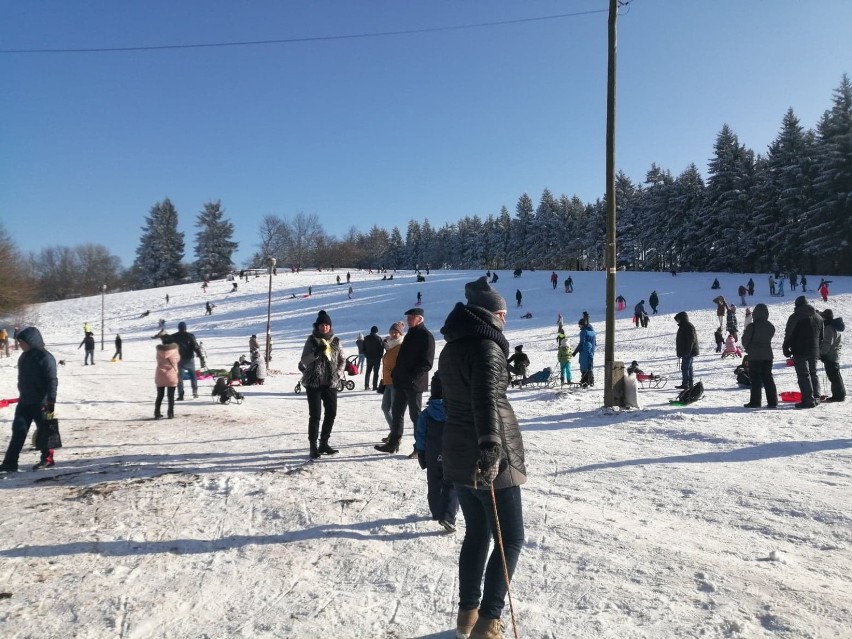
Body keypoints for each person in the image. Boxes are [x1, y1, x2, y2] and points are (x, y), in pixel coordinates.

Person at [437, 276, 525, 639]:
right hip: (489, 456)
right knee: (511, 538)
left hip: (458, 451)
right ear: (489, 314)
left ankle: (467, 616)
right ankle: (489, 621)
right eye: (502, 313)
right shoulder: (487, 348)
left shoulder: (452, 347)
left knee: (478, 534)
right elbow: (486, 400)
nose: (504, 319)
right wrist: (491, 445)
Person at [375, 308, 435, 454]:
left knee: (416, 417)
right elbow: (401, 358)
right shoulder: (409, 335)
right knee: (396, 413)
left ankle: (419, 448)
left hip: (414, 385)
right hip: (401, 382)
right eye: (407, 317)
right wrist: (396, 374)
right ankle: (393, 444)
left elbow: (427, 363)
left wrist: (412, 378)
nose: (407, 320)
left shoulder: (426, 337)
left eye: (410, 317)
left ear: (419, 319)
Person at [1, 327, 58, 472]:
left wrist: (51, 400)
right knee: (18, 431)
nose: (20, 345)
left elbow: (52, 380)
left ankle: (47, 459)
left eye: (22, 342)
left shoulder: (45, 357)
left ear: (31, 341)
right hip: (25, 401)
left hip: (41, 402)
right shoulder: (24, 357)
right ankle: (10, 463)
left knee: (44, 432)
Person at [413, 372, 459, 533]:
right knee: (452, 484)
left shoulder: (426, 414)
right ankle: (447, 516)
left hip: (432, 454)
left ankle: (435, 511)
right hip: (452, 455)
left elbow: (420, 435)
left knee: (434, 483)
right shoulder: (455, 412)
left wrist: (421, 452)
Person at [299, 310, 345, 459]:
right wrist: (316, 353)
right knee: (315, 415)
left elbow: (342, 360)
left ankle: (324, 443)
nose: (324, 327)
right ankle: (313, 446)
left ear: (330, 326)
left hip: (330, 383)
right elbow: (304, 361)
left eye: (326, 325)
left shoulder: (336, 341)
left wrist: (338, 374)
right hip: (314, 383)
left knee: (331, 413)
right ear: (317, 326)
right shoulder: (311, 340)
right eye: (321, 325)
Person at [782, 296, 824, 409]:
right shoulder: (818, 317)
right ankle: (816, 397)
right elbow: (821, 336)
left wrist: (785, 347)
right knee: (813, 373)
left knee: (804, 375)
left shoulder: (795, 317)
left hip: (799, 349)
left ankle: (808, 400)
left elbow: (789, 333)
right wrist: (818, 348)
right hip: (814, 349)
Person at [741, 303, 778, 408]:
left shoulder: (752, 326)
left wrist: (749, 349)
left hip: (755, 356)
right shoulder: (770, 326)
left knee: (755, 379)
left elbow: (744, 341)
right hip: (768, 355)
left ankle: (755, 402)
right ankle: (773, 401)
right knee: (768, 378)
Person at [379, 322, 405, 438]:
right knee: (385, 408)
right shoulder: (390, 346)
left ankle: (396, 436)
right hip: (387, 382)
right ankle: (393, 431)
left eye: (396, 332)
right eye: (392, 332)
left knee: (395, 411)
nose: (394, 334)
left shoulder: (401, 346)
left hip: (396, 382)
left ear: (400, 333)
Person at [170, 321, 206, 400]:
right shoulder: (190, 336)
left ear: (178, 328)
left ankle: (181, 395)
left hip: (178, 360)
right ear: (185, 328)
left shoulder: (173, 337)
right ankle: (195, 392)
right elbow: (195, 347)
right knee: (193, 375)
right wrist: (200, 356)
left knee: (179, 378)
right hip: (190, 359)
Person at [819, 309, 845, 403]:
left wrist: (822, 353)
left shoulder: (829, 328)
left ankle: (838, 396)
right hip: (834, 354)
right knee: (836, 376)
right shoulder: (833, 326)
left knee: (833, 376)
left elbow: (827, 343)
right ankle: (840, 394)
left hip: (831, 355)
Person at [154, 339, 180, 419]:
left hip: (160, 374)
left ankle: (157, 412)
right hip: (171, 375)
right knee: (171, 396)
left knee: (160, 395)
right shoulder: (175, 351)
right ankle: (170, 413)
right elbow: (178, 360)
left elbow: (158, 360)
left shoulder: (159, 351)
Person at [674, 311, 699, 389]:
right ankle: (689, 383)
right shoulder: (684, 326)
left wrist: (688, 351)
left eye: (678, 319)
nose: (677, 321)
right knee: (688, 367)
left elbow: (691, 339)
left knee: (685, 368)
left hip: (688, 351)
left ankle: (686, 384)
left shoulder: (687, 326)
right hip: (686, 351)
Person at [573, 319, 597, 387]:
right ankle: (591, 380)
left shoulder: (583, 332)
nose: (579, 326)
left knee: (584, 366)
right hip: (591, 351)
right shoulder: (592, 331)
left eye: (579, 325)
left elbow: (581, 343)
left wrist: (575, 352)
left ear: (582, 325)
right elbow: (594, 343)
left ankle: (584, 381)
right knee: (590, 366)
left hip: (585, 351)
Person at [363, 326, 384, 391]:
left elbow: (363, 348)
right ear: (376, 331)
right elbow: (381, 349)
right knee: (376, 372)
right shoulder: (379, 338)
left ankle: (366, 386)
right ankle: (374, 386)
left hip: (369, 358)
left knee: (368, 372)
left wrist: (366, 355)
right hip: (376, 358)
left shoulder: (366, 338)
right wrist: (380, 356)